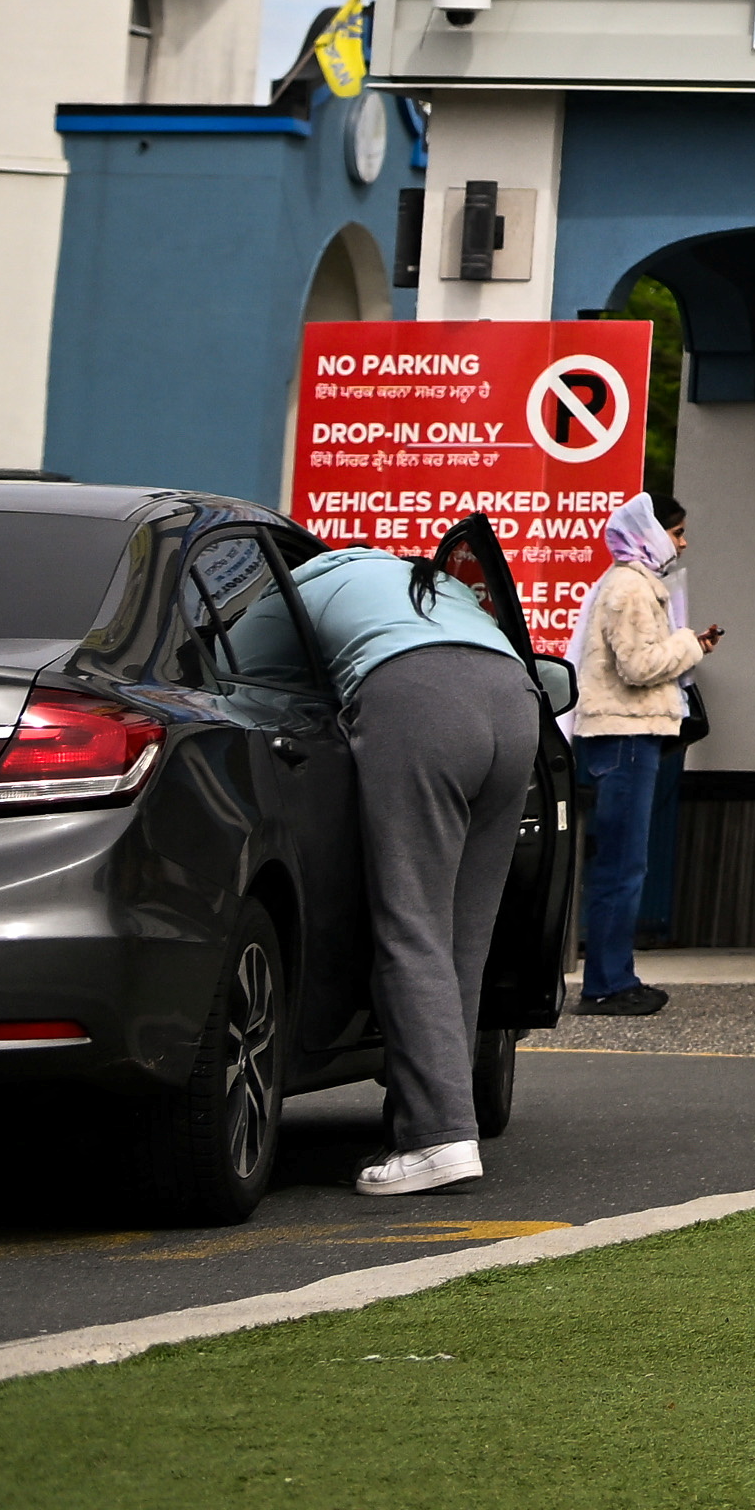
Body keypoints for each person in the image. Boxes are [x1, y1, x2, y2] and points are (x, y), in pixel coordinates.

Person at [282, 512, 552, 1200]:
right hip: (516, 700)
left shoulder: (292, 590)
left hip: (419, 702)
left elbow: (237, 692)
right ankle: (440, 1120)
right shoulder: (422, 580)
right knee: (463, 937)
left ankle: (434, 1139)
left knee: (412, 923)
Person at [562, 494, 708, 1019]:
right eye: (677, 531)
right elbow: (638, 666)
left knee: (624, 862)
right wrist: (689, 644)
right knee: (622, 864)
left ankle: (613, 975)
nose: (683, 541)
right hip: (623, 736)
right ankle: (605, 983)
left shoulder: (634, 584)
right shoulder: (630, 588)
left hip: (624, 736)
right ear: (650, 532)